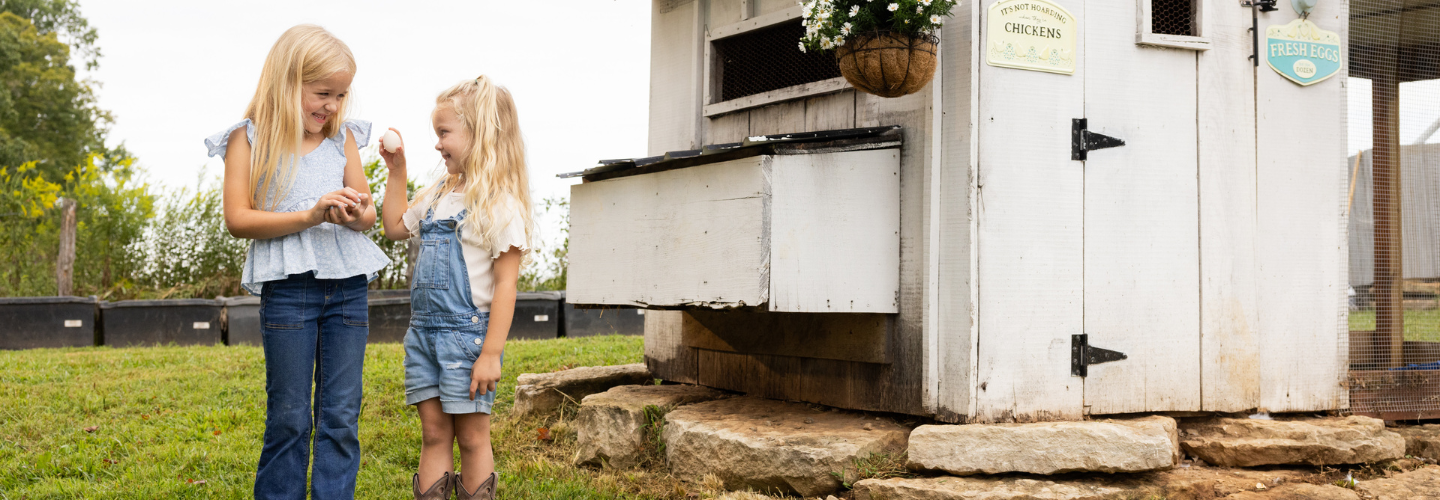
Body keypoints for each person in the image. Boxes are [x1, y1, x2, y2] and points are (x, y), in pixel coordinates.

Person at [205, 24, 390, 500]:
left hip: (347, 289)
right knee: (289, 417)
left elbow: (368, 212)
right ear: (287, 83)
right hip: (289, 291)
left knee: (341, 416)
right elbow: (238, 219)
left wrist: (354, 213)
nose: (333, 106)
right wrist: (310, 215)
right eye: (323, 93)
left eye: (341, 95)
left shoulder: (342, 138)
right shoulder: (248, 139)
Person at [379, 75, 533, 500]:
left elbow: (506, 285)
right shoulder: (437, 195)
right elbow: (394, 226)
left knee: (472, 438)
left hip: (468, 340)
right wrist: (397, 172)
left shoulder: (499, 204)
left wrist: (491, 354)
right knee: (433, 434)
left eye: (444, 132)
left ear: (480, 133)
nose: (438, 143)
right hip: (423, 336)